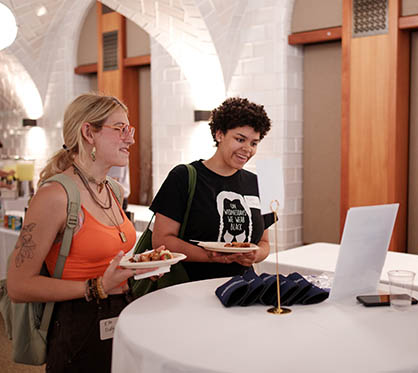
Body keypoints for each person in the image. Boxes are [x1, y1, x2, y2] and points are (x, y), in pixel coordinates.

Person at [7, 93, 154, 372]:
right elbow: (18, 285)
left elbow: (109, 260)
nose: (131, 139)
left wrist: (142, 270)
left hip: (121, 315)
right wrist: (96, 286)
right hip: (78, 328)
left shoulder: (113, 189)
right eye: (120, 129)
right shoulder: (55, 196)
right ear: (89, 132)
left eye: (129, 129)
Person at [151, 97, 273, 281]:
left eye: (254, 143)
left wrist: (255, 255)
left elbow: (264, 243)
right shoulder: (183, 176)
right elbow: (161, 240)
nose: (247, 149)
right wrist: (209, 256)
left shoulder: (258, 183)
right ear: (219, 134)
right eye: (240, 139)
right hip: (189, 289)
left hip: (242, 289)